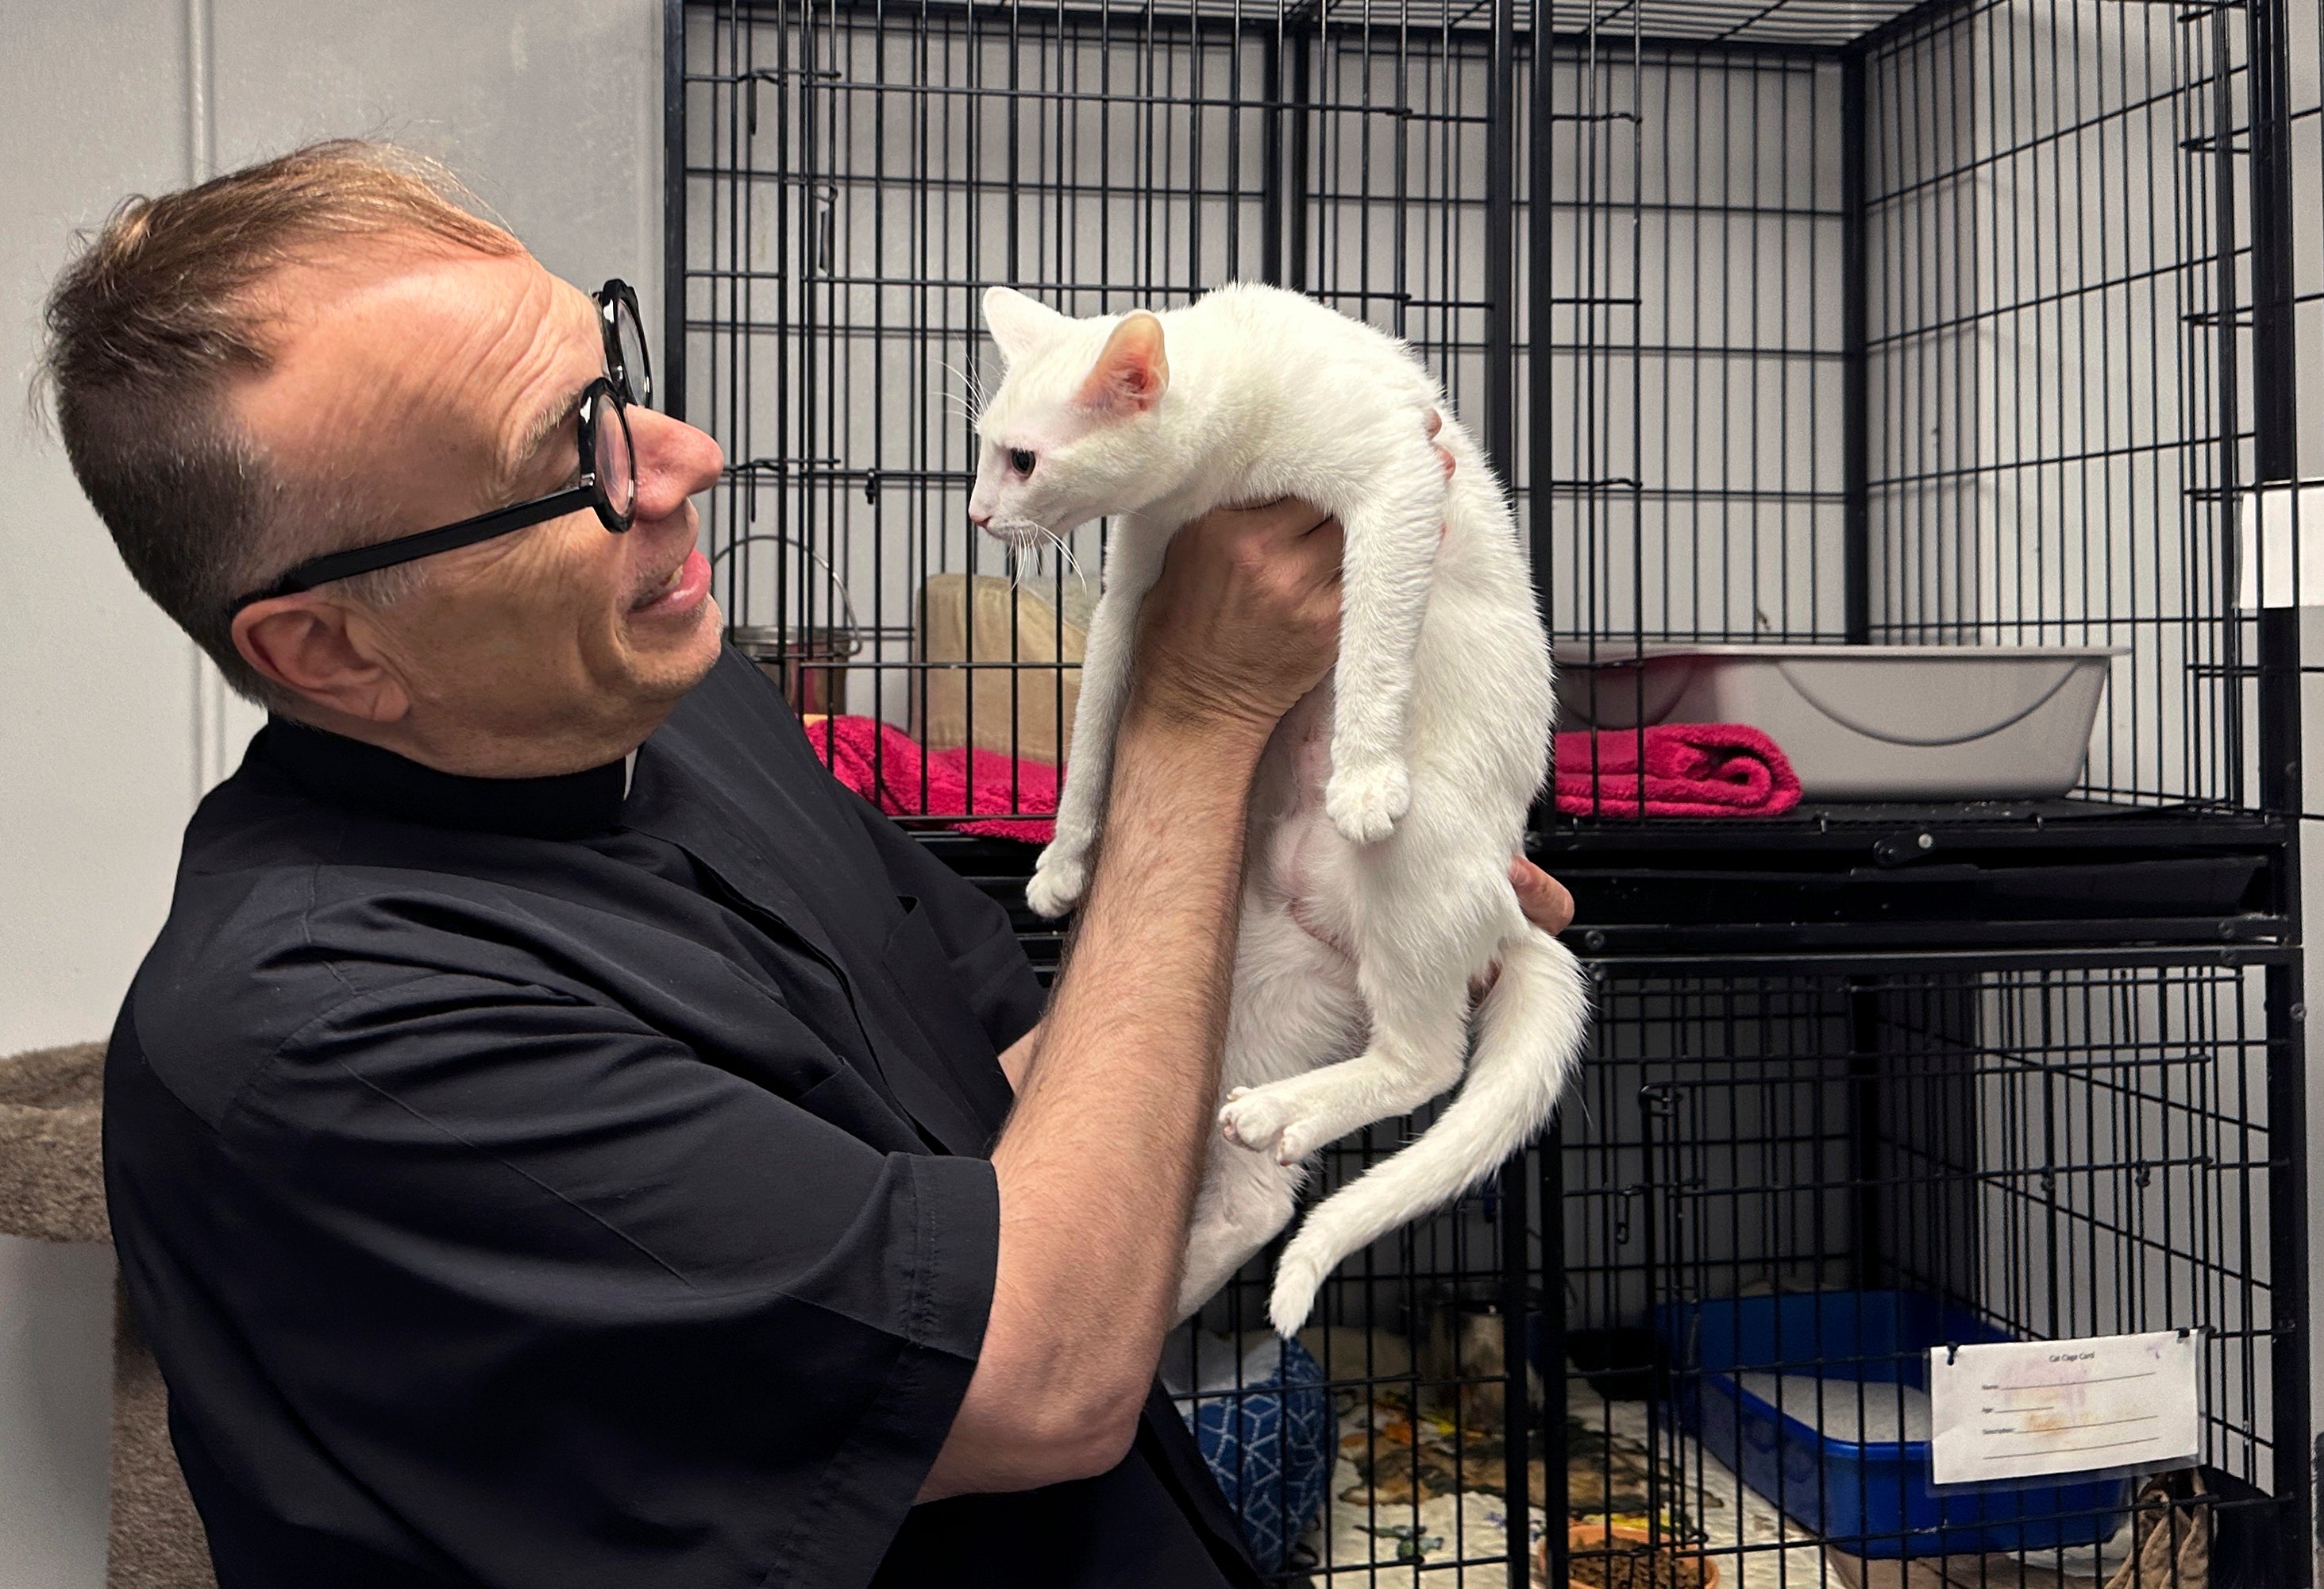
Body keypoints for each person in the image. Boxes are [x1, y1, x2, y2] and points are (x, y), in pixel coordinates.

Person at [40, 141, 1574, 1588]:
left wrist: (1311, 926)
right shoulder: (336, 1042)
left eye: (613, 378)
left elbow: (1017, 1108)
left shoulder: (683, 709)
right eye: (566, 456)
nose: (685, 457)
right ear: (326, 647)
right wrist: (1197, 717)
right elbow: (1039, 1371)